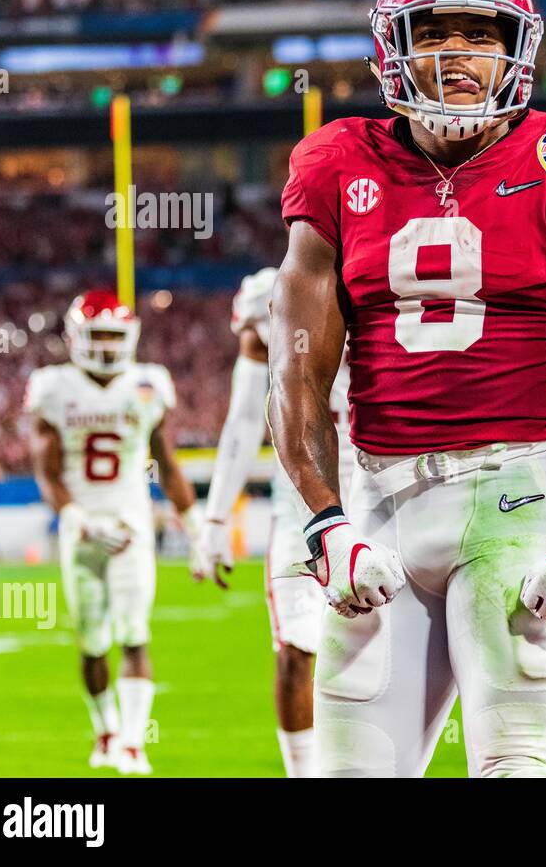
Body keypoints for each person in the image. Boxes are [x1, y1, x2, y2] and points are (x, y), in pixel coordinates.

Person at [266, 0, 546, 777]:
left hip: (514, 493)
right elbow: (294, 370)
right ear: (392, 46)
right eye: (434, 31)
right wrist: (324, 524)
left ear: (515, 47)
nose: (458, 55)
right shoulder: (337, 163)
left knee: (517, 768)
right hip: (376, 500)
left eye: (481, 34)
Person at [26, 291, 202, 775]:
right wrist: (78, 519)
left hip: (130, 526)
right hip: (80, 530)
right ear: (76, 337)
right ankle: (105, 730)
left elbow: (166, 464)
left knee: (134, 634)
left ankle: (131, 744)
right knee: (91, 642)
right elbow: (48, 471)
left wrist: (196, 528)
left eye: (112, 335)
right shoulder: (53, 387)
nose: (105, 345)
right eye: (97, 334)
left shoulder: (147, 384)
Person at [191, 267, 353, 777]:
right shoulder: (268, 294)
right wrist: (215, 519)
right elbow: (244, 417)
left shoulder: (386, 269)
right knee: (296, 650)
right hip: (302, 494)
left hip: (382, 485)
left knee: (382, 652)